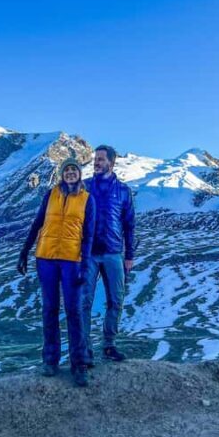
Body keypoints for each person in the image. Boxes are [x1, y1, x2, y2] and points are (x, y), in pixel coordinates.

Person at [18, 158, 96, 387]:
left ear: (80, 174)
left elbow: (88, 235)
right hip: (46, 258)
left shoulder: (86, 199)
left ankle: (79, 364)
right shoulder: (51, 195)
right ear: (62, 174)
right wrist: (24, 251)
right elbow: (37, 223)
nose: (70, 172)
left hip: (72, 260)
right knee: (49, 309)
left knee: (74, 311)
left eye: (74, 170)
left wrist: (85, 263)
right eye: (67, 170)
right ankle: (50, 361)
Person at [81, 145, 136, 365]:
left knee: (116, 300)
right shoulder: (84, 187)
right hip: (89, 254)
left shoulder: (123, 191)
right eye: (95, 159)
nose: (96, 162)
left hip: (114, 254)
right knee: (84, 301)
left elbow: (129, 224)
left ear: (112, 163)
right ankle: (84, 349)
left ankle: (109, 345)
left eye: (101, 159)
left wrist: (129, 255)